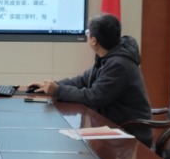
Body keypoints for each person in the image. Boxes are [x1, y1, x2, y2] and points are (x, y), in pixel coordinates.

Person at [30, 14, 153, 145]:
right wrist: (52, 85)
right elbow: (82, 80)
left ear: (94, 41)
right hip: (113, 127)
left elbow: (94, 97)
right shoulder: (109, 58)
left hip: (129, 133)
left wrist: (58, 90)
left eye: (88, 33)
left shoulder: (118, 65)